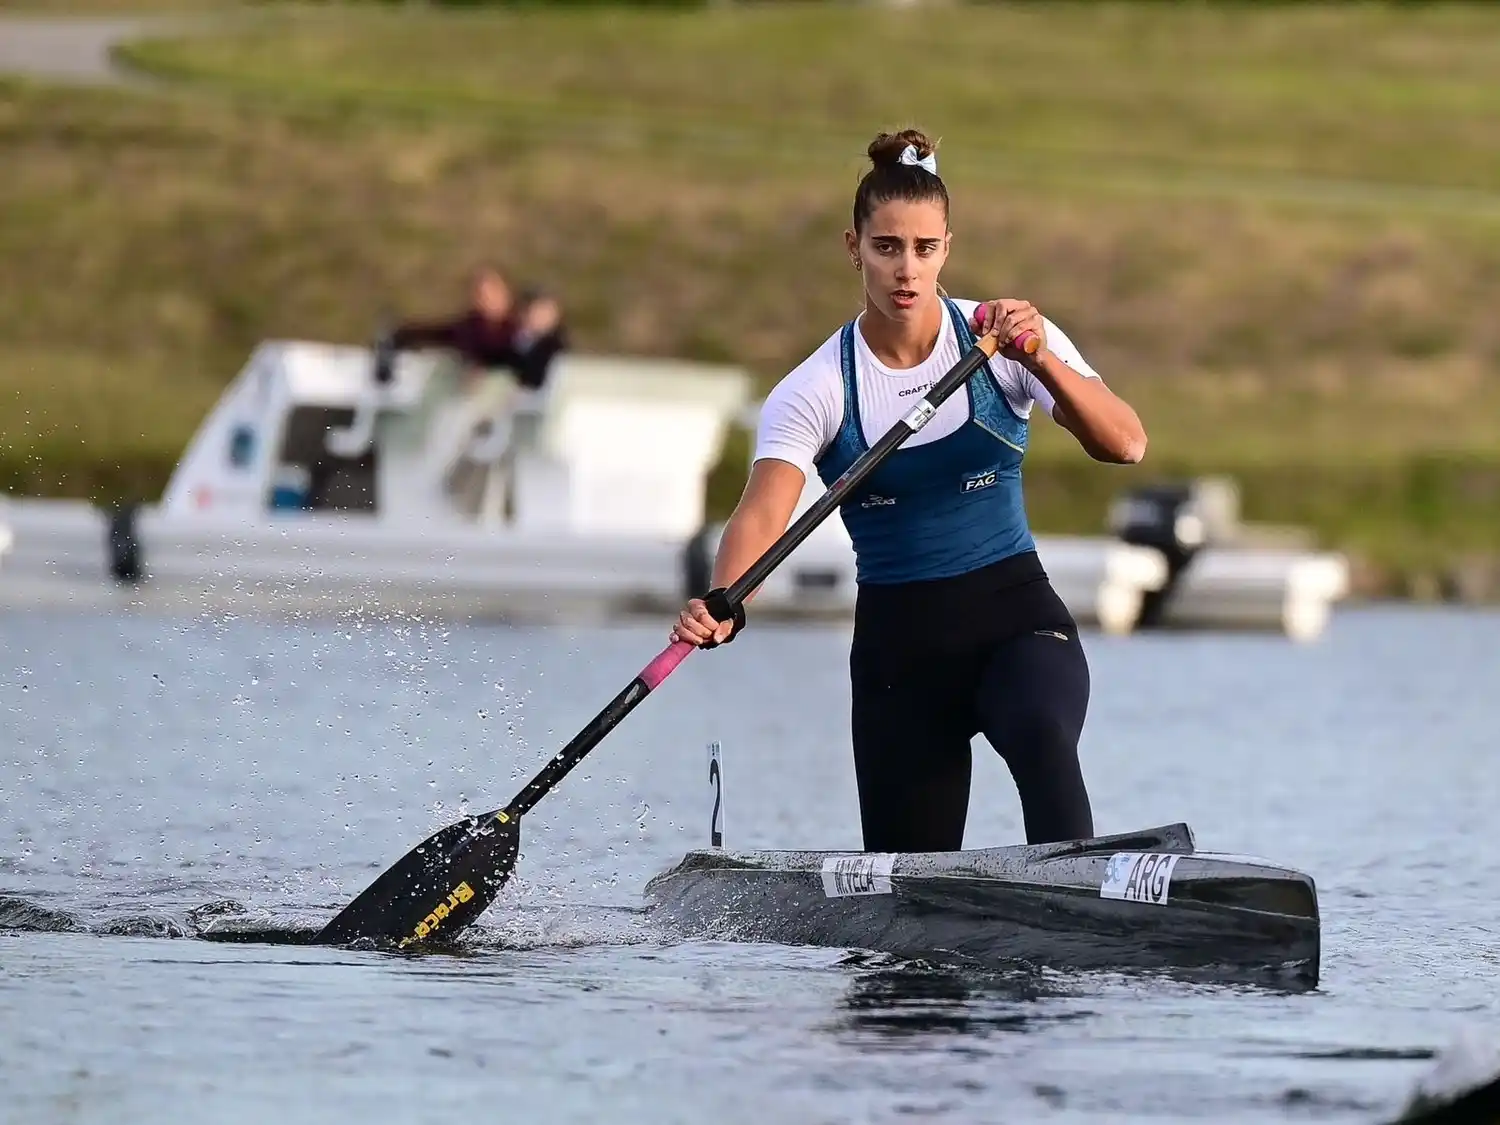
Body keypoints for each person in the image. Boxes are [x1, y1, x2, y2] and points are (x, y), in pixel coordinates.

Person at [670, 128, 1147, 854]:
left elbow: (1126, 442)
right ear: (853, 247)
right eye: (887, 246)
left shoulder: (1004, 340)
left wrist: (1043, 359)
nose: (906, 269)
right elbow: (765, 510)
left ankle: (1075, 895)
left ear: (947, 249)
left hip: (1017, 624)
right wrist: (724, 603)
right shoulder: (819, 387)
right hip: (901, 660)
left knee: (1042, 734)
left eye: (925, 249)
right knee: (908, 928)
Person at [387, 264, 567, 391]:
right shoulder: (472, 326)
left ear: (506, 294)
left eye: (493, 294)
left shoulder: (521, 328)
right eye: (482, 295)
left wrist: (485, 368)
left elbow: (518, 361)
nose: (488, 301)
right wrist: (400, 334)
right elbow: (441, 333)